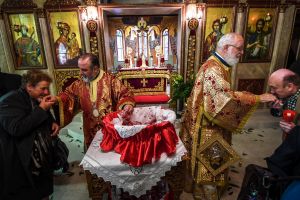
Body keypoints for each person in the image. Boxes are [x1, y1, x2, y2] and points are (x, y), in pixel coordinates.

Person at [180, 33, 277, 200]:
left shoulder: (217, 64)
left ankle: (198, 189)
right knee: (210, 164)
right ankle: (206, 196)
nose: (241, 53)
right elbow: (223, 100)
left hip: (203, 122)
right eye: (239, 49)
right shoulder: (214, 68)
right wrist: (257, 98)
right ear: (225, 48)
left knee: (208, 161)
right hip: (207, 128)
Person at [0, 70, 59, 200]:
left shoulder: (34, 97)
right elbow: (17, 128)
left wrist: (52, 122)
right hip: (22, 161)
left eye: (47, 88)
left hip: (41, 157)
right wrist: (42, 109)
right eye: (43, 88)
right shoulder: (8, 101)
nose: (47, 92)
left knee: (44, 191)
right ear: (29, 87)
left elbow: (41, 115)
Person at [268, 69, 300, 139]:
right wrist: (278, 109)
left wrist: (295, 130)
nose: (272, 91)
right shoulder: (285, 95)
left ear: (289, 87)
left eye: (274, 88)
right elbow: (279, 114)